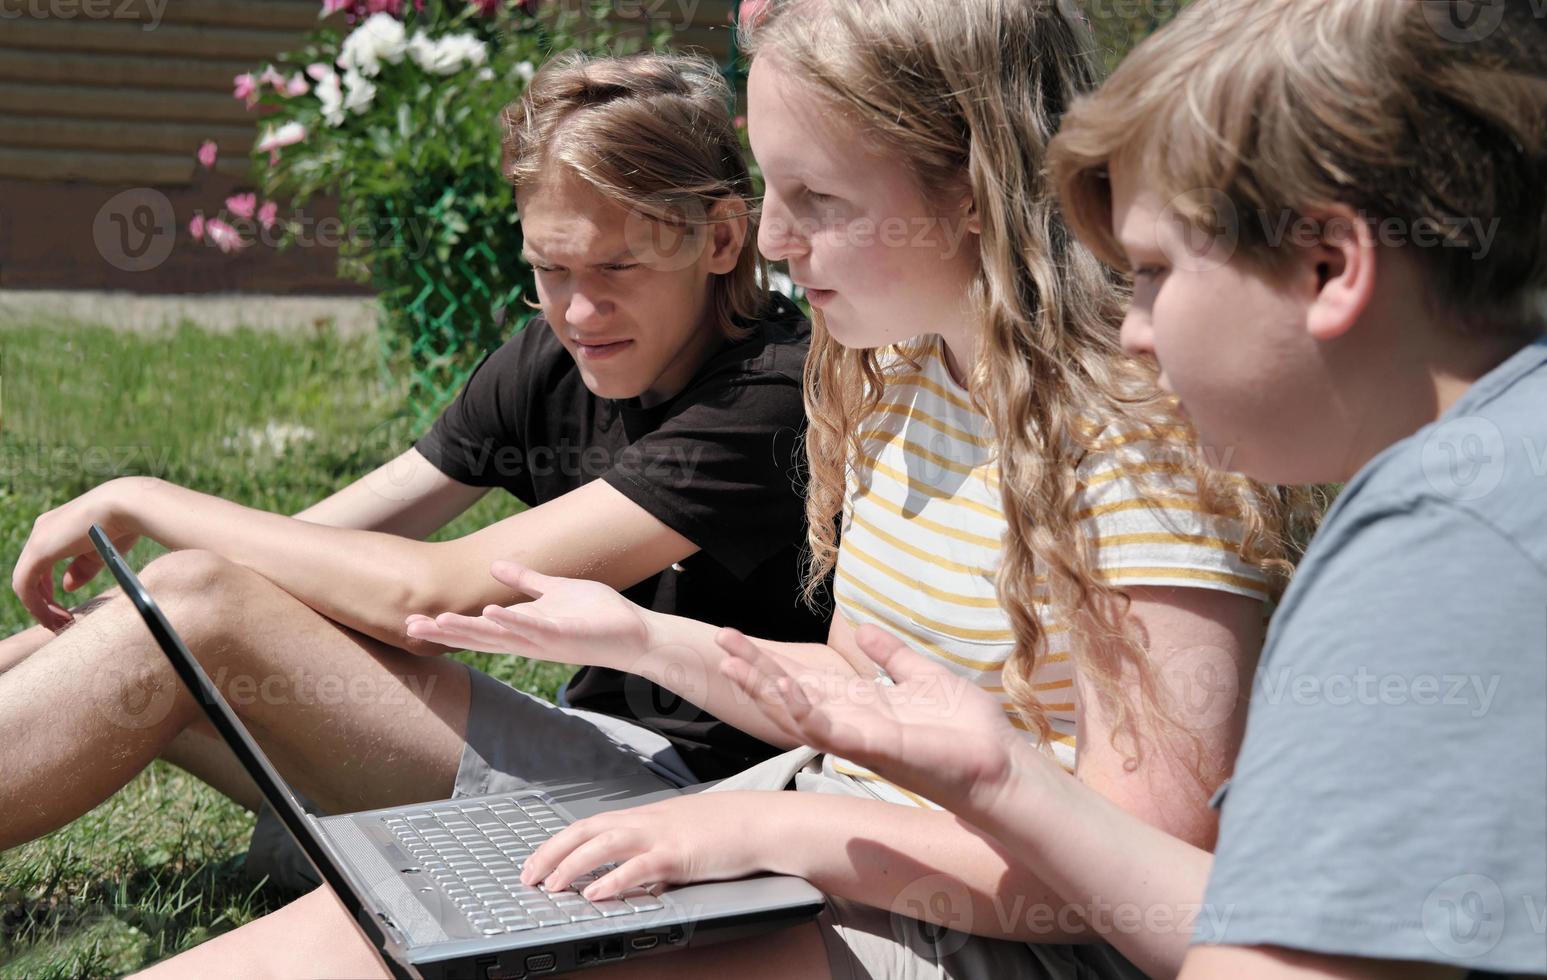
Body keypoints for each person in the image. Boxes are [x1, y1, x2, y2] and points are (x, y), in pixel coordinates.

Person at [149, 0, 1315, 975]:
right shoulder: (906, 367)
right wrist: (647, 644)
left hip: (990, 936)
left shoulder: (1138, 434)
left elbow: (1147, 887)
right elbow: (868, 699)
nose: (770, 242)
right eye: (772, 191)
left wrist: (769, 822)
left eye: (818, 200)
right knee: (370, 929)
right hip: (826, 825)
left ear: (970, 188)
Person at [722, 1, 1547, 978]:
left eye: (1150, 270)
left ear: (1329, 264)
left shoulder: (1437, 545)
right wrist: (1001, 780)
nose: (1129, 329)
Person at [0, 51, 824, 880]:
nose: (578, 310)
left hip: (693, 812)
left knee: (197, 607)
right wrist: (32, 648)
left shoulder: (773, 396)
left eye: (617, 267)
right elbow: (299, 549)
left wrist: (139, 497)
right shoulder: (553, 356)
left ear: (720, 238)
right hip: (587, 751)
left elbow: (425, 595)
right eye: (548, 269)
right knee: (178, 618)